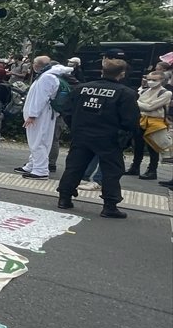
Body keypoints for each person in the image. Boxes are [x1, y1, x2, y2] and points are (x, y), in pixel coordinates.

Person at [56, 59, 139, 219]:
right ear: (122, 74)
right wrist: (125, 137)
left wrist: (76, 127)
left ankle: (64, 199)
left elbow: (67, 110)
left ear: (102, 71)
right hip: (109, 138)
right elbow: (131, 120)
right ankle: (110, 206)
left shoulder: (81, 88)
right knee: (112, 171)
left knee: (74, 167)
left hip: (81, 135)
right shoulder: (125, 93)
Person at [17, 56, 74, 179]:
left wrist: (32, 115)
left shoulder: (46, 77)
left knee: (38, 141)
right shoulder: (50, 75)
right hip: (45, 114)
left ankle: (40, 170)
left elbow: (40, 98)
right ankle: (33, 165)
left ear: (37, 65)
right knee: (39, 141)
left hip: (41, 115)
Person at [129, 71, 170, 180]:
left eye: (154, 80)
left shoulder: (166, 93)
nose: (151, 82)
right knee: (138, 145)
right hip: (141, 119)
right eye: (149, 79)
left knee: (153, 147)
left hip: (155, 122)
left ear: (162, 80)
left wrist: (135, 102)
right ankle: (135, 167)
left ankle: (152, 170)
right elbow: (145, 106)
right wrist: (142, 104)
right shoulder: (145, 90)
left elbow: (150, 107)